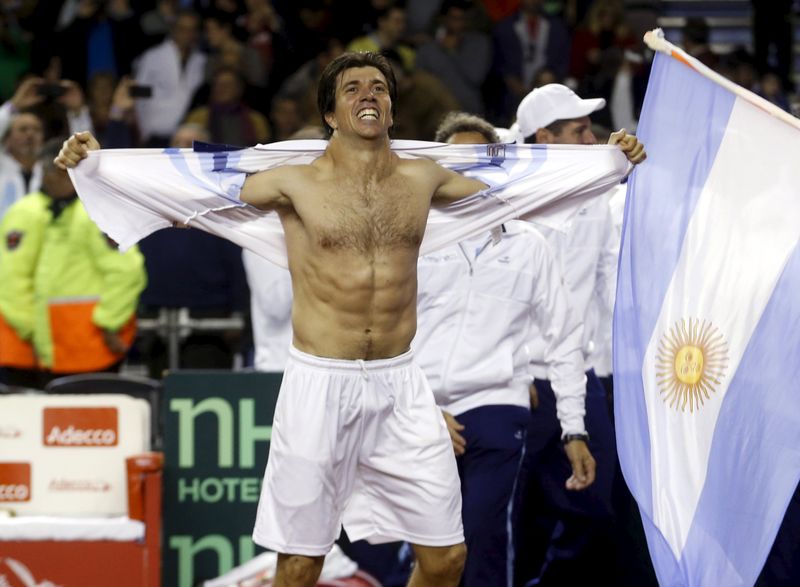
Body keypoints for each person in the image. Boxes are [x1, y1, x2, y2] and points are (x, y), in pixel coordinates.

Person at [56, 52, 644, 587]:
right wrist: (99, 164)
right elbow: (189, 190)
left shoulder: (423, 178)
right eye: (354, 87)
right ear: (333, 114)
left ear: (390, 109)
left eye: (380, 87)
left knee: (446, 558)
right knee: (301, 563)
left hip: (402, 382)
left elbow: (518, 186)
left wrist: (606, 160)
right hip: (320, 380)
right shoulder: (293, 181)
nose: (370, 94)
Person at [413, 111, 596, 587]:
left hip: (496, 407)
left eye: (480, 160)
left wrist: (573, 428)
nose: (469, 171)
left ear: (499, 167)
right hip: (418, 411)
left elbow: (564, 339)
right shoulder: (411, 240)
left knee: (481, 542)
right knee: (426, 553)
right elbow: (384, 333)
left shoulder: (529, 246)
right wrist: (418, 408)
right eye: (458, 161)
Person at [512, 83, 649, 586]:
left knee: (598, 508)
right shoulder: (502, 197)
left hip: (581, 377)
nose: (592, 139)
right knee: (515, 514)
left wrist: (631, 162)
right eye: (579, 131)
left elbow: (611, 283)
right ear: (545, 137)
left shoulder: (597, 194)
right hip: (517, 382)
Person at [0, 138, 146, 389]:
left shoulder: (92, 212)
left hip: (84, 342)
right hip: (47, 343)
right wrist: (33, 331)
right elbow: (12, 279)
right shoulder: (37, 211)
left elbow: (127, 271)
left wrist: (110, 322)